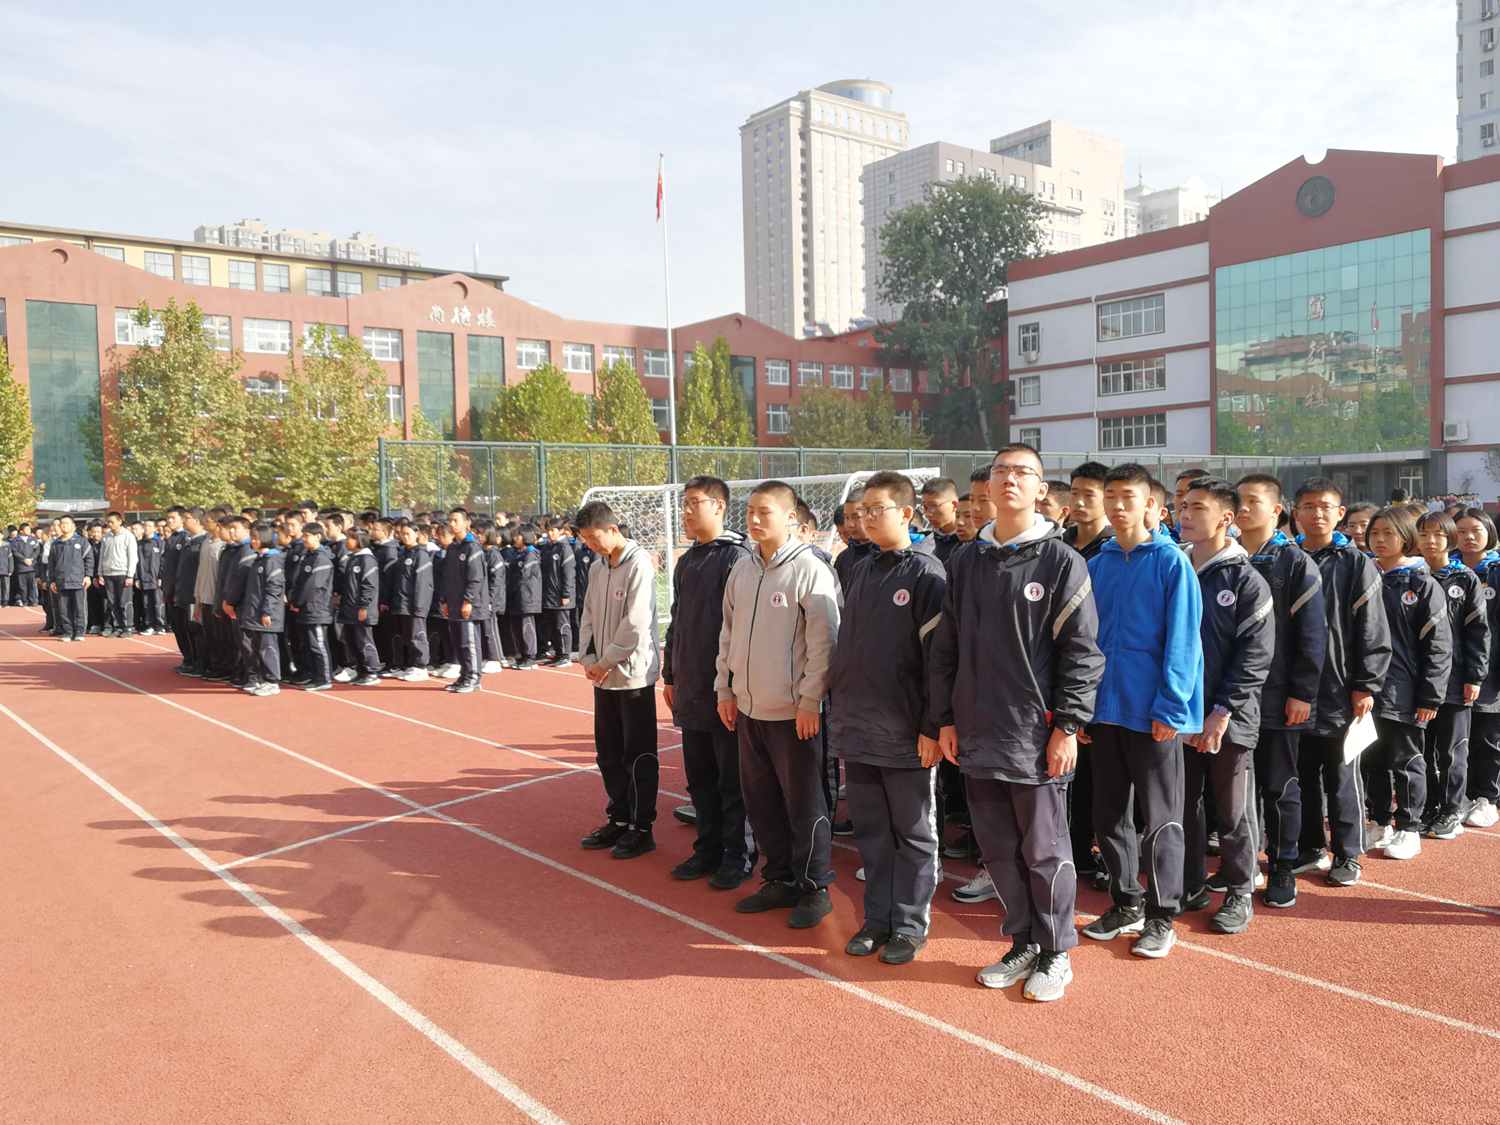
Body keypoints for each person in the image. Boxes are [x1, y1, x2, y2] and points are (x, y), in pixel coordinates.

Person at [930, 444, 1103, 1000]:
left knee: (1044, 850)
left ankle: (1056, 952)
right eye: (1001, 471)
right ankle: (1024, 941)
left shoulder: (1061, 561)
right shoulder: (966, 561)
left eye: (1023, 472)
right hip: (977, 732)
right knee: (998, 848)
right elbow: (946, 648)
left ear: (1040, 489)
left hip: (1034, 733)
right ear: (987, 487)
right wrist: (945, 718)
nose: (1010, 479)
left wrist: (1067, 726)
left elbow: (1082, 653)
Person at [1080, 462, 1203, 959]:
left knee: (1160, 819)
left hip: (1151, 714)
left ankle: (1162, 915)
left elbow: (1184, 641)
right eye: (1110, 496)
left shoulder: (1172, 563)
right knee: (1108, 815)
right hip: (1104, 712)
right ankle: (1126, 901)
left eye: (1127, 496)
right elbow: (1083, 642)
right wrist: (1080, 707)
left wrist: (1171, 707)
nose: (1117, 505)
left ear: (1152, 504)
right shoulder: (1097, 565)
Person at [829, 471, 947, 966]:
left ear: (906, 513)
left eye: (877, 509)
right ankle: (876, 919)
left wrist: (931, 726)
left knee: (913, 834)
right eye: (862, 511)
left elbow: (939, 660)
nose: (866, 518)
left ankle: (910, 925)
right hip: (856, 728)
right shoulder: (860, 569)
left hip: (905, 733)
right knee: (872, 834)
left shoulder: (927, 574)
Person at [716, 480, 841, 928]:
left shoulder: (809, 568)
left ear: (790, 518)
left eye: (764, 511)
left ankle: (814, 887)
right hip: (749, 707)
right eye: (750, 510)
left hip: (794, 713)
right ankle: (779, 877)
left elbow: (825, 641)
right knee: (761, 801)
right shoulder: (742, 568)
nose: (753, 519)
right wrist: (725, 688)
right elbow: (727, 633)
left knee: (805, 803)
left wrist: (811, 699)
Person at [1177, 476, 1274, 934]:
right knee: (1183, 806)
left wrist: (1222, 711)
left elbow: (1255, 655)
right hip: (1178, 713)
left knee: (1233, 811)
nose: (1186, 515)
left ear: (1226, 518)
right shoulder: (1175, 568)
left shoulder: (1246, 580)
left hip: (1227, 718)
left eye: (1198, 507)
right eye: (1183, 506)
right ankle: (1190, 884)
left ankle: (1239, 890)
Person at [1293, 478, 1393, 886]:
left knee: (1342, 776)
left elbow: (1373, 627)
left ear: (1339, 514)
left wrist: (1366, 684)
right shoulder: (1286, 558)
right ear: (1295, 513)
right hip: (1294, 692)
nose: (1317, 513)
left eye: (1325, 507)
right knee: (1301, 775)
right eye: (1308, 506)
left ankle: (1348, 853)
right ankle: (1310, 847)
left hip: (1340, 689)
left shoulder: (1355, 563)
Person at [1233, 474, 1327, 908]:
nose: (1243, 508)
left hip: (1278, 695)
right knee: (1234, 790)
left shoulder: (1294, 563)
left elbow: (1312, 635)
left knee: (1279, 785)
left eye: (1254, 501)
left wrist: (1302, 692)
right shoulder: (1225, 557)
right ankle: (1241, 865)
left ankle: (1283, 865)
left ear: (1276, 510)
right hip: (1232, 697)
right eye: (1239, 500)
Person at [661, 476, 755, 889]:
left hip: (724, 692)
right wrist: (670, 674)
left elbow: (740, 631)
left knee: (732, 781)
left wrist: (729, 687)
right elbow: (676, 622)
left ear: (719, 506)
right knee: (700, 780)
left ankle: (739, 855)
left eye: (694, 502)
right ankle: (708, 849)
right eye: (684, 503)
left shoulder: (737, 558)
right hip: (691, 688)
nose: (685, 511)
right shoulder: (687, 561)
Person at [576, 500, 662, 860]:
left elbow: (636, 622)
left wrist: (607, 660)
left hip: (632, 677)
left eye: (595, 538)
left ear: (613, 529)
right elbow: (588, 615)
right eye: (585, 541)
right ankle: (619, 817)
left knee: (637, 755)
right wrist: (588, 658)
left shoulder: (638, 564)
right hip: (603, 676)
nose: (591, 546)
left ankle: (642, 828)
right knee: (609, 753)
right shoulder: (598, 567)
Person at [1365, 506, 1450, 861]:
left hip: (1404, 690)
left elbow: (1439, 645)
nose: (1380, 540)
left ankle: (1409, 827)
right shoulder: (1364, 577)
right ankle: (1379, 821)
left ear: (1406, 538)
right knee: (1371, 759)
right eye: (1374, 533)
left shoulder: (1422, 584)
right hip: (1366, 689)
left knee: (1408, 760)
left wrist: (1430, 696)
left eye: (1389, 533)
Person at [1415, 510, 1489, 839]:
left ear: (1451, 539)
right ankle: (1429, 805)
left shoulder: (1465, 579)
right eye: (1424, 534)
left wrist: (1475, 676)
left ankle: (1451, 809)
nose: (1431, 541)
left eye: (1439, 535)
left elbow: (1478, 632)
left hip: (1456, 679)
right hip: (1417, 679)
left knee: (1452, 750)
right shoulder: (1411, 577)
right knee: (1422, 748)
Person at [439, 509, 489, 693]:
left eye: (456, 521)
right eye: (450, 521)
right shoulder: (452, 547)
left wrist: (468, 601)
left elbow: (476, 578)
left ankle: (474, 678)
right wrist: (445, 600)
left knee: (469, 643)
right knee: (458, 643)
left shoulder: (472, 547)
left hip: (468, 605)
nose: (452, 524)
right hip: (453, 603)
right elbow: (447, 577)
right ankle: (464, 675)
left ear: (466, 523)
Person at [239, 522, 286, 696]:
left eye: (256, 538)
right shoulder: (259, 560)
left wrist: (267, 612)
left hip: (266, 615)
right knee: (257, 648)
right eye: (252, 538)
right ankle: (263, 679)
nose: (253, 541)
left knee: (268, 648)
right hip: (254, 613)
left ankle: (272, 681)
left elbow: (274, 589)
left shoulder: (272, 561)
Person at [288, 521, 335, 691]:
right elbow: (299, 582)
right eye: (303, 535)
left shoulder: (321, 558)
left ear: (318, 537)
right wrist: (294, 600)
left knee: (318, 645)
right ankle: (315, 676)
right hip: (306, 609)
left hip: (317, 609)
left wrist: (297, 602)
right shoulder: (309, 556)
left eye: (307, 536)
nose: (304, 539)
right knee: (308, 645)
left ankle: (324, 678)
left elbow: (312, 585)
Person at [335, 526, 383, 686]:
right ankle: (361, 670)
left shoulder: (367, 560)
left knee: (364, 640)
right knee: (352, 641)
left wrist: (363, 607)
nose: (345, 542)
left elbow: (369, 586)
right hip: (349, 609)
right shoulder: (353, 558)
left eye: (348, 538)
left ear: (357, 540)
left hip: (361, 610)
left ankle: (371, 671)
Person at [389, 519, 434, 682]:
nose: (405, 537)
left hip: (414, 604)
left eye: (408, 534)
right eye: (402, 534)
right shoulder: (403, 553)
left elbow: (423, 583)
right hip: (403, 603)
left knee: (418, 635)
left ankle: (421, 667)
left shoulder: (421, 555)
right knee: (408, 636)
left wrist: (419, 606)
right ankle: (413, 665)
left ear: (416, 534)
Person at [539, 520, 577, 666]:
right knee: (553, 626)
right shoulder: (547, 548)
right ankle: (558, 653)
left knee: (563, 626)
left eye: (553, 530)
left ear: (560, 531)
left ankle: (565, 655)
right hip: (548, 595)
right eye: (548, 530)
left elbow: (568, 573)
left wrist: (566, 594)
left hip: (560, 596)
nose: (550, 533)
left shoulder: (564, 548)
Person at [96, 511, 138, 638]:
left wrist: (130, 575)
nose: (110, 524)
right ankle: (117, 626)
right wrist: (100, 573)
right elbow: (102, 556)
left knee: (125, 601)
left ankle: (128, 627)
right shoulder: (106, 537)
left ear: (120, 521)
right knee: (112, 601)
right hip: (108, 573)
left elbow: (133, 556)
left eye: (112, 522)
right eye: (108, 522)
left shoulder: (128, 536)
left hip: (123, 573)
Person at [507, 524, 542, 670]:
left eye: (518, 536)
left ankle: (530, 656)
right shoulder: (517, 554)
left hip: (526, 597)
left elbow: (522, 576)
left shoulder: (531, 555)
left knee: (526, 626)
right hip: (516, 597)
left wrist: (508, 588)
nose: (515, 538)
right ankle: (522, 655)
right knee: (516, 627)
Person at [1062, 462, 1114, 560]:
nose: (1079, 502)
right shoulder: (1058, 543)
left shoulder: (1115, 547)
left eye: (1089, 495)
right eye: (1074, 493)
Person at [49, 516, 89, 642]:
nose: (64, 525)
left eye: (67, 523)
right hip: (61, 580)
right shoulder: (56, 543)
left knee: (79, 607)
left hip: (78, 580)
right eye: (62, 523)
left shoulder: (82, 541)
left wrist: (88, 575)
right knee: (64, 609)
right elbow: (51, 563)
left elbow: (89, 560)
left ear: (73, 526)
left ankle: (80, 631)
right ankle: (67, 631)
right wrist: (52, 580)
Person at [833, 487, 872, 593]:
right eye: (847, 517)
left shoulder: (887, 554)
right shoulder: (843, 558)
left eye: (856, 517)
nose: (850, 524)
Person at [919, 477, 962, 564]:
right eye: (925, 507)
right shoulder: (924, 541)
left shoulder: (968, 540)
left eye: (934, 505)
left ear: (954, 505)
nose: (928, 514)